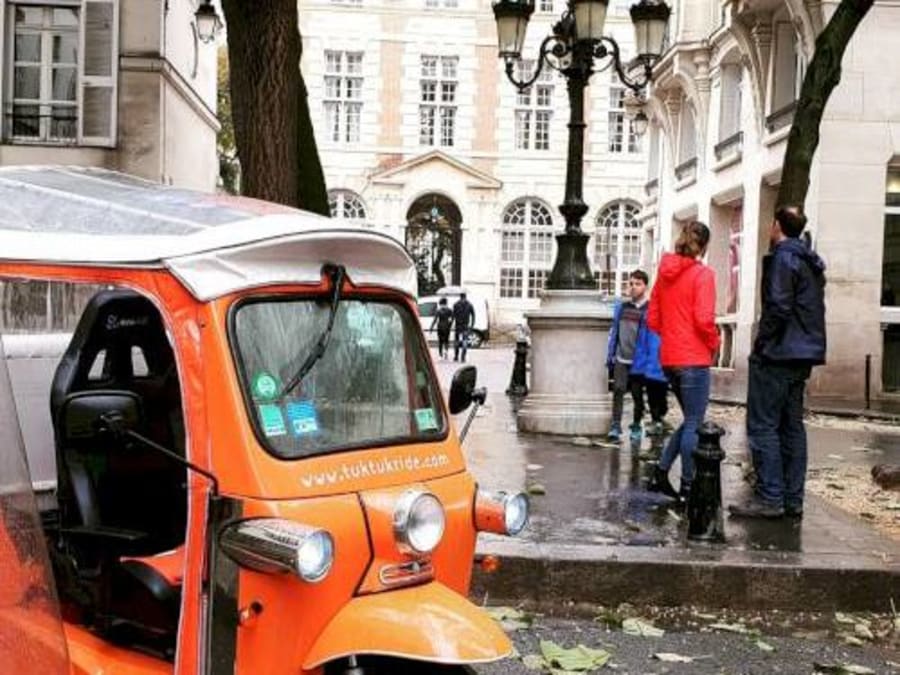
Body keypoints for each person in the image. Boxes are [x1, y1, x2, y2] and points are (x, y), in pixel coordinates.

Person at [729, 206, 826, 519]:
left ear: (777, 226)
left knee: (763, 425)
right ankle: (792, 498)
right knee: (791, 426)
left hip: (779, 353)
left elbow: (779, 307)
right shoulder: (809, 260)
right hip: (802, 353)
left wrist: (762, 343)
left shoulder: (784, 258)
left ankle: (771, 496)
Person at [647, 221, 720, 501]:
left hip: (670, 357)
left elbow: (653, 319)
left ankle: (660, 473)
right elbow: (703, 319)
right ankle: (689, 486)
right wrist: (714, 342)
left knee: (690, 420)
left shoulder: (664, 274)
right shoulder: (703, 275)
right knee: (694, 423)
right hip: (694, 357)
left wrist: (673, 334)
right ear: (704, 246)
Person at [606, 270, 651, 442]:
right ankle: (615, 425)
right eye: (631, 283)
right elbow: (615, 331)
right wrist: (611, 354)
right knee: (618, 390)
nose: (633, 287)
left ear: (645, 287)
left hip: (639, 360)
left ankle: (637, 424)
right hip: (621, 357)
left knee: (637, 394)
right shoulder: (622, 307)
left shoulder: (649, 309)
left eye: (638, 284)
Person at [631, 322, 669, 437]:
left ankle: (657, 419)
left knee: (659, 397)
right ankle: (656, 420)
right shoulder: (646, 324)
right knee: (653, 397)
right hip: (650, 367)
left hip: (658, 366)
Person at [452, 292, 475, 362]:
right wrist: (472, 325)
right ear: (465, 297)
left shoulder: (456, 304)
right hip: (465, 325)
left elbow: (453, 316)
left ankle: (456, 356)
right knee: (464, 341)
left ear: (460, 297)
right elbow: (473, 315)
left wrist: (451, 324)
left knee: (457, 341)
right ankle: (463, 357)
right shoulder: (470, 304)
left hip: (458, 325)